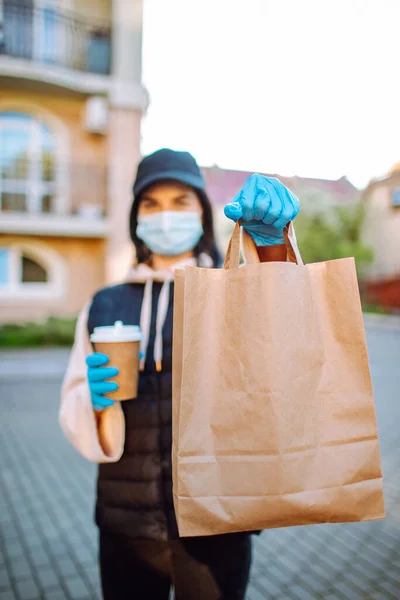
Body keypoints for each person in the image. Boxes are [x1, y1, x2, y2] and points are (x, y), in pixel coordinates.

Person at [60, 148, 300, 600]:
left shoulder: (231, 288)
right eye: (151, 203)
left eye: (179, 201)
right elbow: (72, 391)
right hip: (124, 523)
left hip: (218, 522)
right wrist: (90, 403)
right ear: (135, 217)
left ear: (202, 214)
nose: (164, 215)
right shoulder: (105, 302)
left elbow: (285, 332)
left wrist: (271, 248)